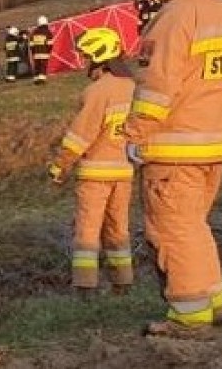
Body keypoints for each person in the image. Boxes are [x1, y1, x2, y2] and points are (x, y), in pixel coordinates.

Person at [123, 0, 222, 335]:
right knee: (194, 226)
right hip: (214, 141)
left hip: (173, 147)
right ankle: (213, 302)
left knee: (173, 230)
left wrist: (135, 135)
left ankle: (190, 317)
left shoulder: (174, 17)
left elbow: (156, 86)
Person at [46, 27, 136, 296]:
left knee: (87, 232)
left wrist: (60, 165)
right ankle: (122, 283)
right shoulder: (134, 88)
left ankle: (86, 287)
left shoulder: (98, 91)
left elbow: (80, 135)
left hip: (95, 174)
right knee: (119, 230)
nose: (85, 62)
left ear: (99, 56)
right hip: (125, 172)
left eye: (87, 56)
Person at [30, 16, 54, 85]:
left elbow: (31, 44)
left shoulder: (34, 32)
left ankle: (36, 79)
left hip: (36, 53)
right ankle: (42, 79)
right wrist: (49, 51)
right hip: (44, 53)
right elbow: (50, 44)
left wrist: (33, 52)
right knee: (43, 66)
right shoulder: (48, 32)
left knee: (37, 66)